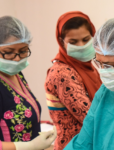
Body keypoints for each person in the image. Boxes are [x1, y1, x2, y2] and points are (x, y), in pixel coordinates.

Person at [0, 16, 57, 150]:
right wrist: (27, 146)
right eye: (9, 53)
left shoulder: (15, 74)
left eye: (23, 51)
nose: (17, 59)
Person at [44, 11, 102, 150]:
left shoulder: (90, 67)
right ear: (61, 41)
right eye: (73, 42)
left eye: (86, 39)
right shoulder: (61, 73)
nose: (81, 46)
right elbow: (91, 118)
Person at [63, 18, 114, 150]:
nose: (105, 71)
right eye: (100, 63)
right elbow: (83, 143)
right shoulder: (105, 93)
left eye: (111, 65)